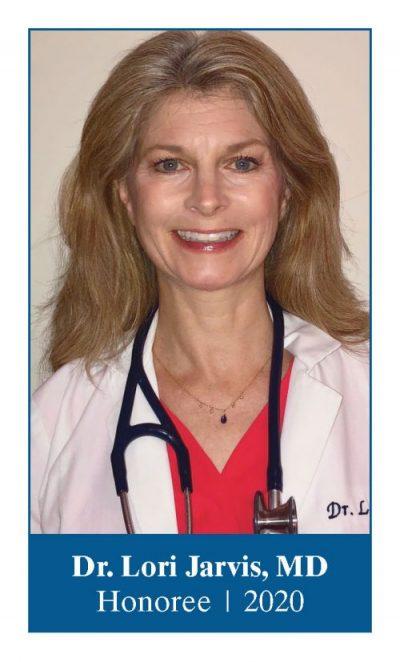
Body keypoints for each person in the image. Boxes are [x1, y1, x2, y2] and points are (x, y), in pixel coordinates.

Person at [31, 29, 369, 534]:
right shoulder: (50, 424)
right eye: (170, 165)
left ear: (285, 191)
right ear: (125, 192)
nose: (206, 199)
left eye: (241, 163)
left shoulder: (372, 389)